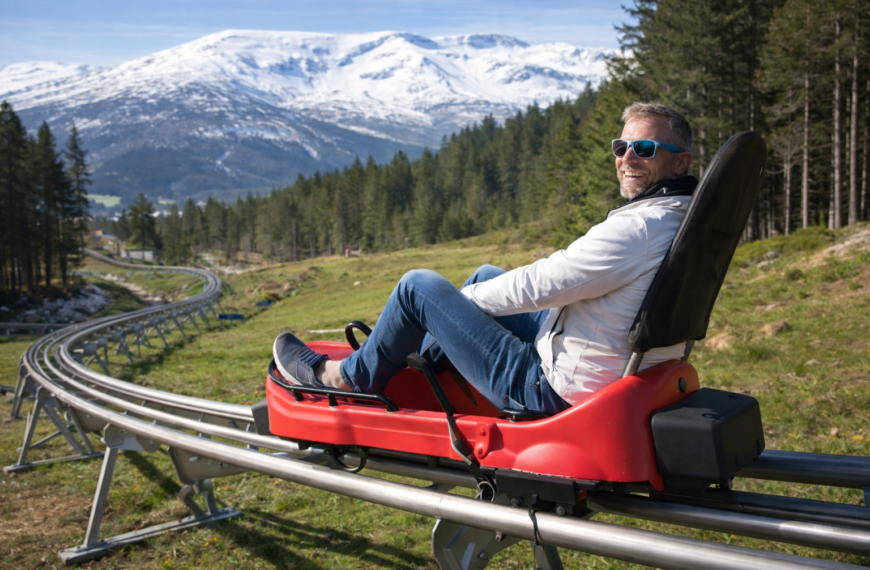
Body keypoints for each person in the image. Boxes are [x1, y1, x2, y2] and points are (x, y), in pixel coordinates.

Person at [273, 102, 695, 414]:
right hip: (607, 364)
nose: (626, 159)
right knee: (487, 273)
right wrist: (462, 303)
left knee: (418, 288)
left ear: (680, 163)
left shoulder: (638, 228)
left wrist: (453, 303)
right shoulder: (678, 217)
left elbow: (546, 282)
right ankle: (418, 368)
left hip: (554, 390)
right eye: (621, 146)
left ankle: (350, 378)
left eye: (644, 147)